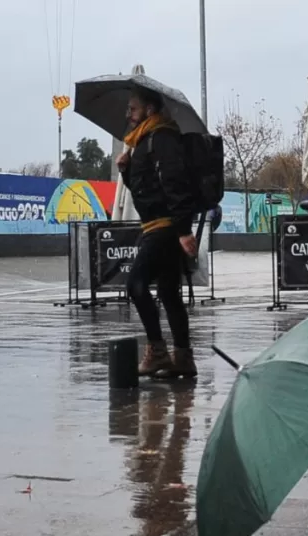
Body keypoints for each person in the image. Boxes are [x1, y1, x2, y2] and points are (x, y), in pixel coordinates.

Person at [116, 87, 199, 379]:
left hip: (164, 227)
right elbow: (146, 188)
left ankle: (157, 350)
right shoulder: (144, 142)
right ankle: (183, 357)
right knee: (167, 292)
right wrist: (126, 171)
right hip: (158, 224)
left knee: (136, 284)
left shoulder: (161, 137)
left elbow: (175, 183)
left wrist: (183, 230)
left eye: (133, 109)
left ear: (150, 110)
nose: (128, 115)